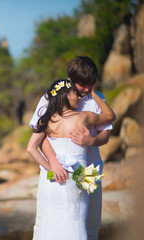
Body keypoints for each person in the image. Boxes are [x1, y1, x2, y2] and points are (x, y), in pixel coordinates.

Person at [28, 56, 114, 240]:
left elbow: (105, 134)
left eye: (90, 83)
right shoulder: (50, 97)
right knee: (43, 224)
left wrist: (90, 140)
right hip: (54, 170)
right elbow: (41, 136)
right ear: (70, 79)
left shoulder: (97, 99)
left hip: (90, 170)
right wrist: (52, 163)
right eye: (82, 84)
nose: (86, 88)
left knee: (89, 225)